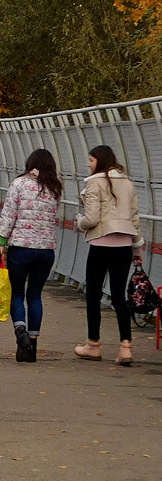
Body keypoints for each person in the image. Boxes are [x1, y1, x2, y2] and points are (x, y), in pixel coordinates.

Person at [74, 145, 144, 366]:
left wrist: (79, 222)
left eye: (91, 160)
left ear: (100, 162)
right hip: (123, 245)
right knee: (119, 296)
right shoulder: (128, 183)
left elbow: (92, 218)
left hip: (101, 244)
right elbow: (134, 218)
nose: (89, 164)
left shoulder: (95, 183)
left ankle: (93, 345)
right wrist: (136, 248)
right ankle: (125, 347)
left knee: (93, 294)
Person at [0, 149, 62, 363]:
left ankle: (20, 333)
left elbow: (8, 215)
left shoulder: (19, 184)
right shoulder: (55, 187)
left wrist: (1, 242)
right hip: (45, 250)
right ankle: (32, 345)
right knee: (35, 295)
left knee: (17, 294)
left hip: (20, 248)